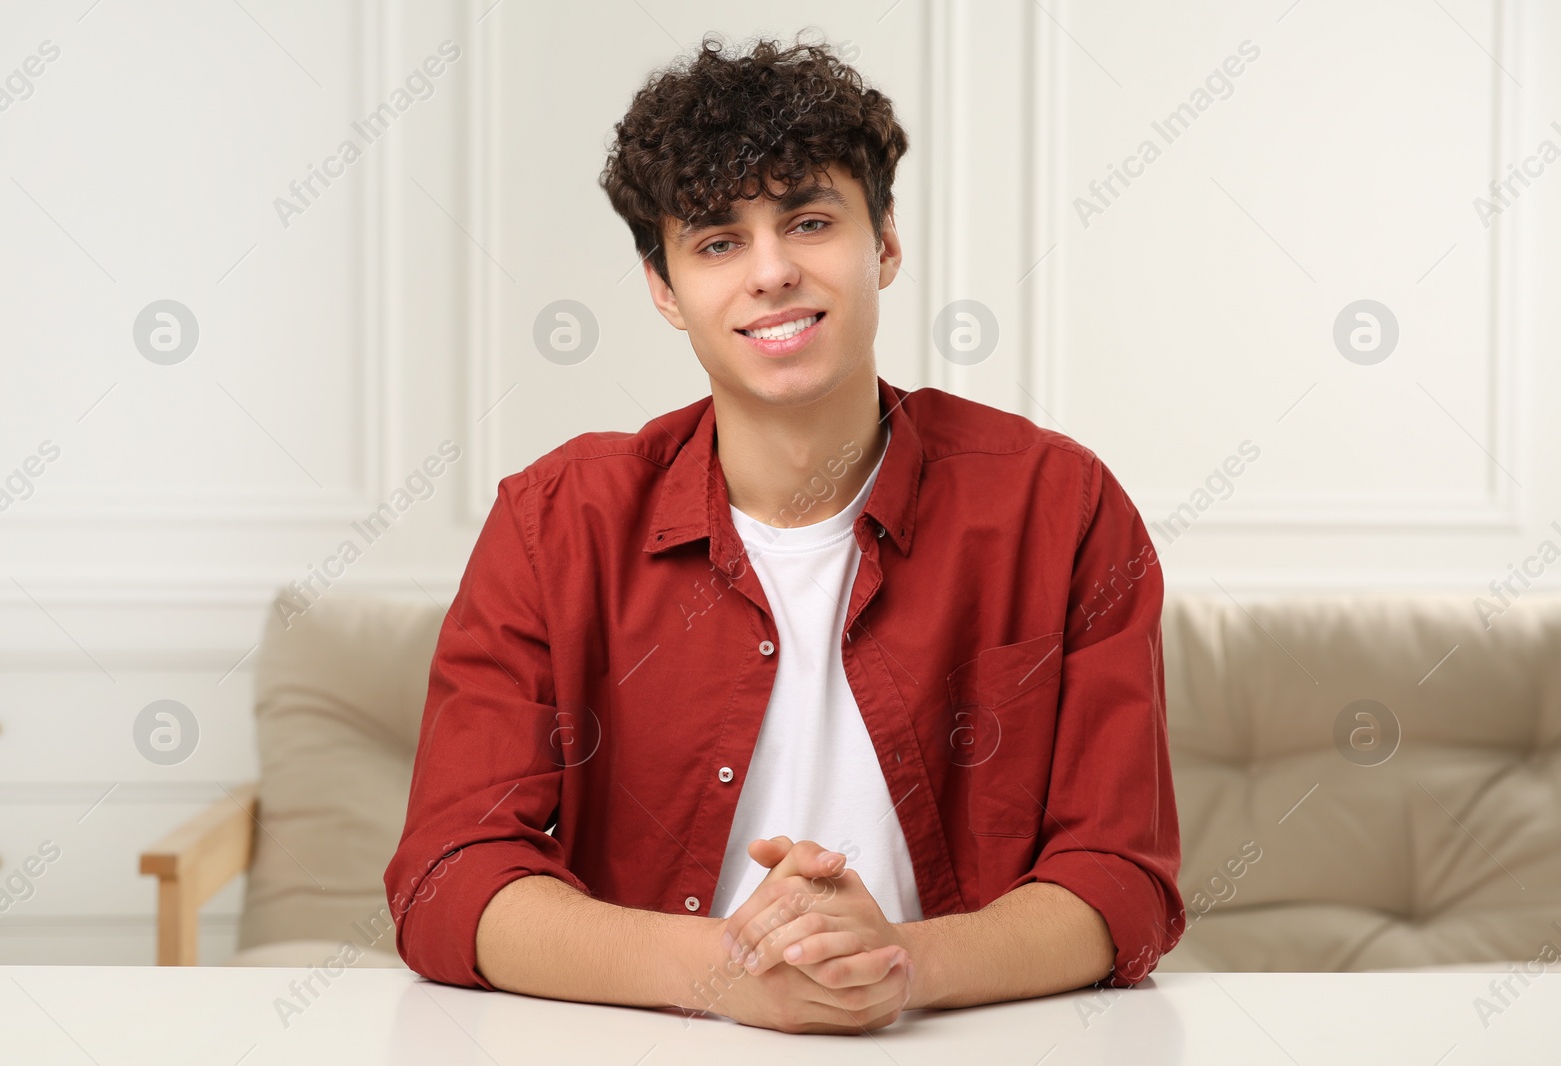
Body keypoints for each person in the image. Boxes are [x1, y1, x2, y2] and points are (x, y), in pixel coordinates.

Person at [384, 31, 1184, 1035]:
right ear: (665, 289)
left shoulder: (1059, 506)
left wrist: (897, 963)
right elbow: (447, 881)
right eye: (717, 241)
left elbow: (1120, 883)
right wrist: (729, 966)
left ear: (883, 242)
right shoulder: (553, 526)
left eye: (808, 221)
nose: (769, 272)